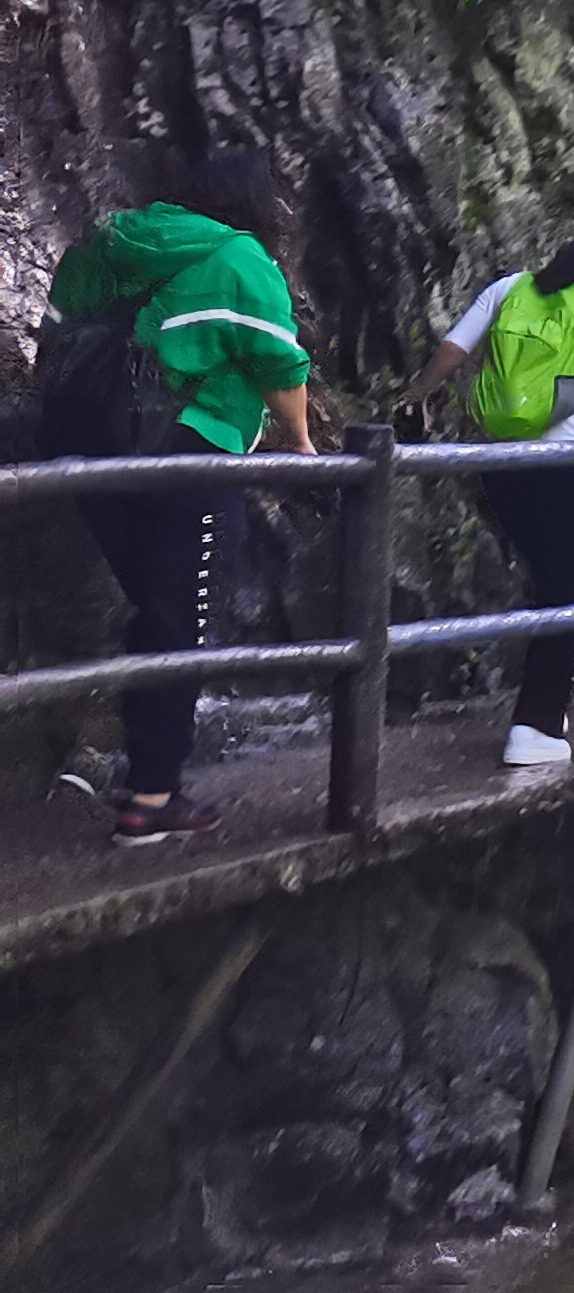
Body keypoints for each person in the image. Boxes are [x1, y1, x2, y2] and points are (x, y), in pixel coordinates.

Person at [42, 150, 315, 843]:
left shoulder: (124, 234)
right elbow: (280, 364)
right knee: (183, 620)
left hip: (88, 441)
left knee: (156, 607)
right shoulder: (241, 258)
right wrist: (301, 441)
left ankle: (143, 770)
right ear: (258, 205)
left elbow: (64, 304)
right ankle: (152, 798)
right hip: (182, 448)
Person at [396, 221, 574, 768]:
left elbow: (454, 347)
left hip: (498, 466)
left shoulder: (512, 287)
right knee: (565, 598)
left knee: (545, 586)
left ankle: (548, 710)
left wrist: (415, 396)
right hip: (568, 468)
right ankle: (535, 728)